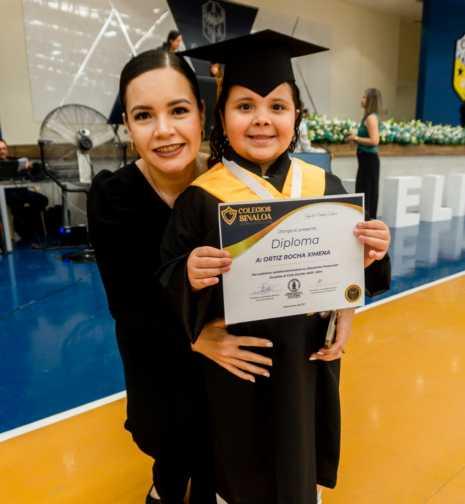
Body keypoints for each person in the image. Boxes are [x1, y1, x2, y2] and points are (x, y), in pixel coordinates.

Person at [159, 31, 391, 504]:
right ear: (222, 116)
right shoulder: (200, 199)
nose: (262, 119)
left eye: (278, 107)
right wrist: (188, 274)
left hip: (306, 363)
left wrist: (374, 252)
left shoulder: (325, 186)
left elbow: (354, 274)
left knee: (299, 466)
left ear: (296, 116)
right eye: (245, 106)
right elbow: (166, 281)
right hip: (238, 371)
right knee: (239, 472)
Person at [87, 48, 273, 504]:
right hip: (158, 356)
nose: (164, 130)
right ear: (127, 125)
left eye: (178, 110)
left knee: (218, 459)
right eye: (144, 115)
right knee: (171, 454)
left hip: (227, 361)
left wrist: (343, 298)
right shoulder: (113, 197)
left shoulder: (233, 186)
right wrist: (196, 337)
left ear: (202, 113)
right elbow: (127, 303)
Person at [0, 139, 48, 245]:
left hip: (22, 192)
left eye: (4, 148)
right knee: (17, 204)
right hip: (6, 194)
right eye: (0, 149)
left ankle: (29, 227)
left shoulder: (15, 161)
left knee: (43, 200)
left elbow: (30, 176)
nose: (2, 151)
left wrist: (29, 167)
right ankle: (25, 230)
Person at [346, 88, 382, 219]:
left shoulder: (371, 118)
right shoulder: (367, 118)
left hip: (369, 161)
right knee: (363, 191)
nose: (361, 99)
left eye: (364, 97)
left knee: (368, 192)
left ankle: (368, 220)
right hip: (364, 160)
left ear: (370, 100)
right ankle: (364, 219)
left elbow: (374, 140)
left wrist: (355, 138)